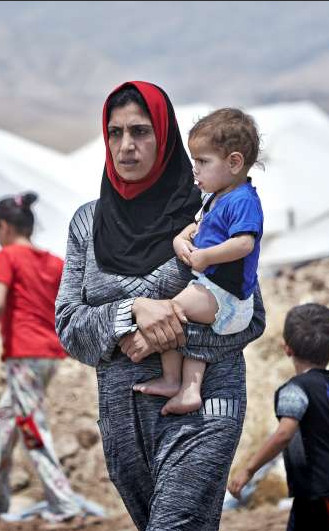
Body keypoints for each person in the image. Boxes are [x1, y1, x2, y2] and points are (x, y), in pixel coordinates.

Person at [55, 81, 266, 531]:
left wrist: (163, 326)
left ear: (166, 136)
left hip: (203, 407)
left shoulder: (212, 208)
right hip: (124, 421)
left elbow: (251, 316)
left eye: (141, 132)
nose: (126, 147)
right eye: (115, 133)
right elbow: (70, 325)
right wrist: (132, 312)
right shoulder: (87, 223)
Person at [0, 192, 81, 527]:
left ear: (4, 226)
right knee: (1, 423)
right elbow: (67, 306)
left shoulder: (6, 256)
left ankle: (64, 503)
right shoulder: (55, 263)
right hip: (49, 355)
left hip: (25, 356)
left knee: (31, 428)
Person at [133, 108, 264, 416]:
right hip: (213, 288)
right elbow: (197, 227)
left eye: (203, 162)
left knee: (169, 312)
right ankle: (189, 390)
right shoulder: (217, 196)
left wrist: (205, 256)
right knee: (191, 327)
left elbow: (244, 243)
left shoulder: (243, 200)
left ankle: (170, 377)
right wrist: (181, 240)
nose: (196, 170)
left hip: (225, 294)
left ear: (234, 162)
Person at [227, 303, 329, 531]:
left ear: (286, 348)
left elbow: (284, 433)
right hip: (312, 488)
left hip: (323, 489)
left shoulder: (295, 390)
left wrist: (248, 470)